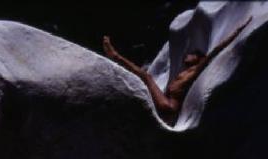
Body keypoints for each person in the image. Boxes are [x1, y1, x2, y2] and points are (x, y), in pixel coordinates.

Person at [103, 16, 252, 125]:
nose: (188, 55)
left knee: (146, 77)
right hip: (167, 107)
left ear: (198, 59)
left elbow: (216, 50)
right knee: (143, 81)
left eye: (192, 54)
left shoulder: (195, 71)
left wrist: (238, 30)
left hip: (168, 107)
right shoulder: (185, 72)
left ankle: (114, 55)